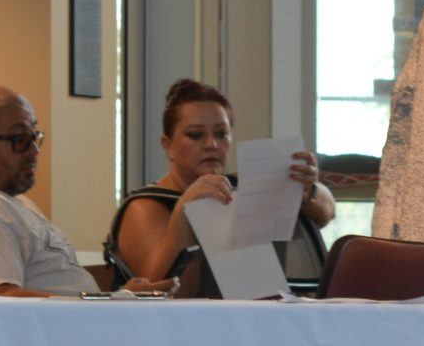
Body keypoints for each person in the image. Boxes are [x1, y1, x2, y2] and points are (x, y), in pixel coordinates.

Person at [104, 78, 336, 295]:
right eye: (195, 135)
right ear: (168, 145)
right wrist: (184, 211)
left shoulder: (240, 186)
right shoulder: (145, 206)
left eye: (221, 134)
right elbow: (163, 289)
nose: (211, 145)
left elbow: (326, 213)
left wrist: (307, 190)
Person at [0, 85, 99, 296]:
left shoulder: (8, 201)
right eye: (19, 139)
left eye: (34, 136)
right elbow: (0, 301)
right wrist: (98, 304)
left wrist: (117, 297)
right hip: (59, 327)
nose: (34, 151)